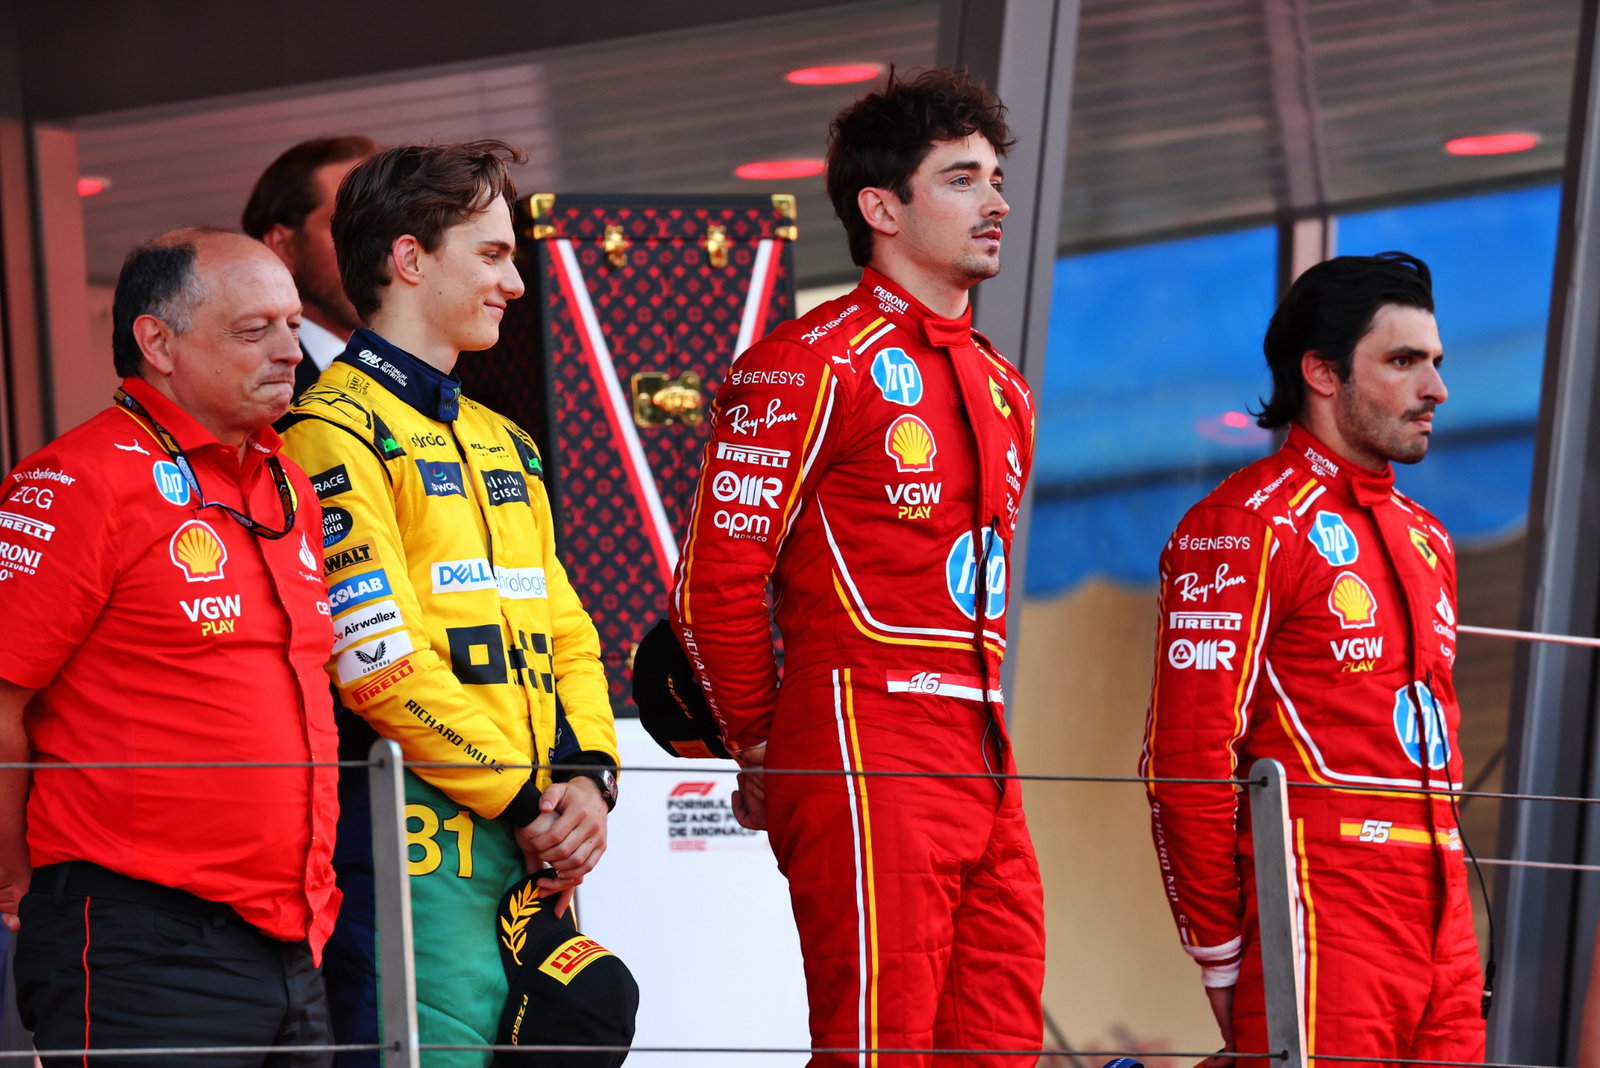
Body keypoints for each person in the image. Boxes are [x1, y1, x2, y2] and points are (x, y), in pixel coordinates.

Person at [669, 68, 1045, 1066]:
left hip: (985, 748)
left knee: (999, 1044)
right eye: (962, 179)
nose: (998, 202)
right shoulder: (804, 363)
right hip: (862, 734)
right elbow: (714, 579)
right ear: (882, 207)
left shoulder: (1003, 386)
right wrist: (759, 743)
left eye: (997, 178)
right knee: (874, 1044)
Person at [279, 140, 619, 1068]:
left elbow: (566, 633)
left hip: (530, 838)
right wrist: (529, 796)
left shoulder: (504, 439)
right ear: (409, 257)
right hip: (415, 842)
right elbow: (378, 666)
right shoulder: (326, 435)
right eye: (495, 254)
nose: (515, 282)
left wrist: (590, 777)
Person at [0, 228, 340, 1063]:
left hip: (295, 940)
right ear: (157, 342)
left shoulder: (287, 479)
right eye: (254, 330)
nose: (291, 352)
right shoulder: (79, 477)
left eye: (293, 325)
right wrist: (15, 878)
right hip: (139, 940)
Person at [1140, 252, 1483, 1066]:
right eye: (1403, 362)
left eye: (1436, 363)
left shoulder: (1427, 538)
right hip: (1324, 913)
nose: (1435, 389)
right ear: (1322, 373)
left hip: (1445, 918)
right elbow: (1185, 763)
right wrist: (1221, 955)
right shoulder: (1242, 525)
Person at [243, 135, 377, 403]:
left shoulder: (443, 366)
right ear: (284, 247)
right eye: (351, 227)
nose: (383, 248)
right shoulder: (250, 389)